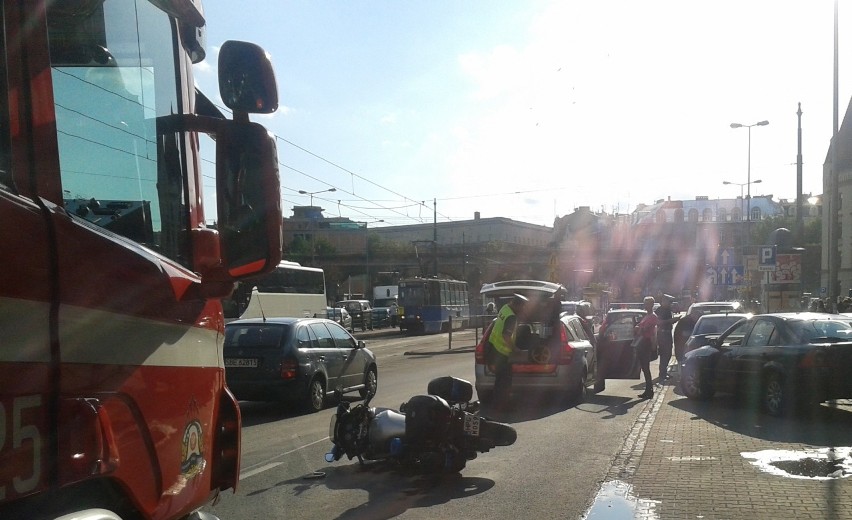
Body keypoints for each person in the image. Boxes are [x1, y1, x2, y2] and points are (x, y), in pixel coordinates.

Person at [487, 293, 527, 408]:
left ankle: (497, 403)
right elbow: (506, 336)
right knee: (504, 381)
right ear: (517, 305)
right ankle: (502, 405)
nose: (523, 309)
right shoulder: (511, 317)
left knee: (499, 380)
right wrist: (515, 350)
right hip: (501, 353)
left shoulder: (504, 309)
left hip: (493, 348)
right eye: (522, 307)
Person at [634, 295, 659, 399]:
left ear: (651, 305)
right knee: (644, 368)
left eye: (647, 304)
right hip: (642, 342)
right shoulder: (647, 315)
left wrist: (639, 328)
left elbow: (645, 329)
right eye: (644, 303)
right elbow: (640, 327)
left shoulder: (653, 316)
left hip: (646, 342)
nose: (645, 305)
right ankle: (648, 389)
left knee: (646, 367)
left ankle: (650, 390)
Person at [654, 294, 681, 381]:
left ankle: (664, 372)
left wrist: (673, 321)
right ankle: (662, 374)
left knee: (668, 354)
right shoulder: (660, 310)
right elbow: (658, 322)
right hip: (662, 334)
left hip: (667, 333)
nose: (670, 304)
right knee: (664, 354)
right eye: (669, 302)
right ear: (663, 301)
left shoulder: (668, 310)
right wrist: (671, 321)